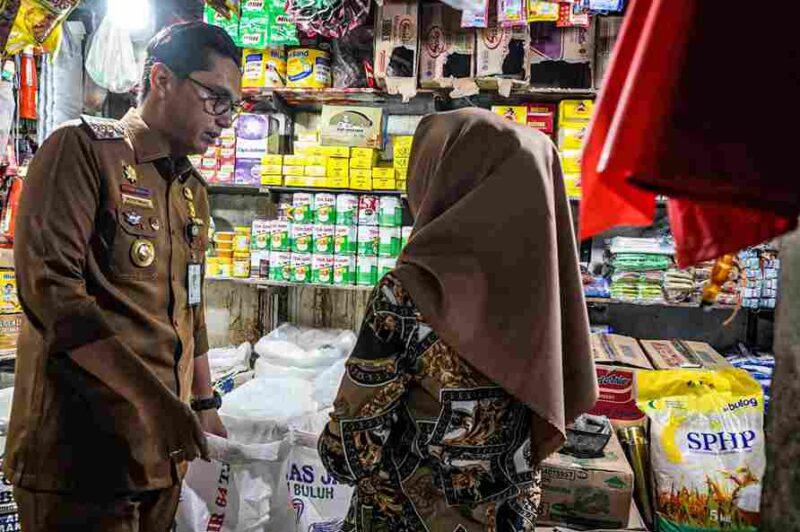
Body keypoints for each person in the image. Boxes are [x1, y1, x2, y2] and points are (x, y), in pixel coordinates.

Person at [4, 21, 241, 531]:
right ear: (161, 79)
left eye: (233, 107)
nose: (224, 120)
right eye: (215, 99)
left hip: (158, 460)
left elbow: (191, 304)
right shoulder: (84, 150)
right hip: (79, 460)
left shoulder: (190, 189)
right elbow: (52, 294)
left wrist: (202, 401)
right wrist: (155, 402)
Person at [318, 108, 598, 531]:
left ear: (442, 178)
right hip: (507, 516)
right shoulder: (547, 294)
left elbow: (351, 451)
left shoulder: (410, 291)